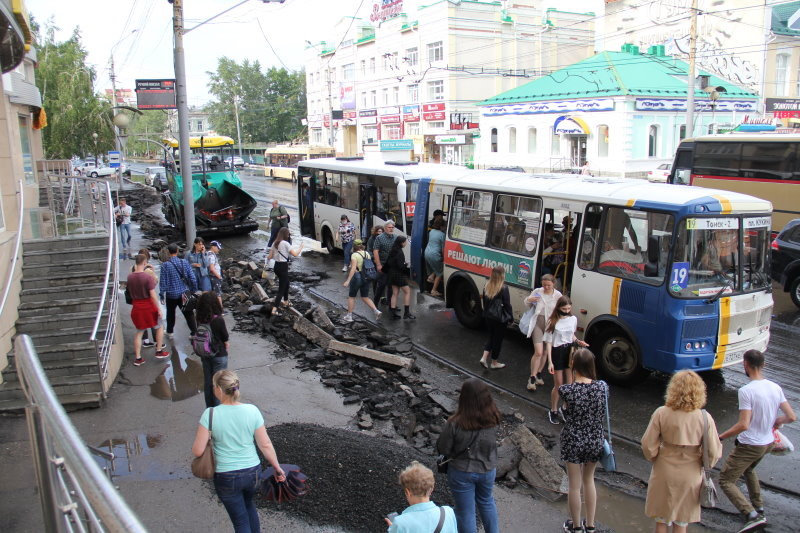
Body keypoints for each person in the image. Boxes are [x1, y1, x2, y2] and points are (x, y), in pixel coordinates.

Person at [191, 370, 286, 533]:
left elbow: (198, 451)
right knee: (249, 506)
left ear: (219, 390)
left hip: (226, 476)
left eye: (214, 386)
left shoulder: (210, 414)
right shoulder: (252, 410)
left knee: (240, 522)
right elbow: (265, 445)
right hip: (253, 473)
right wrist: (277, 468)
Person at [718, 349, 796, 533]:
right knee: (749, 469)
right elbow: (791, 416)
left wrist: (720, 437)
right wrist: (779, 421)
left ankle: (751, 515)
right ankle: (758, 507)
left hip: (750, 444)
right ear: (763, 365)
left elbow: (743, 425)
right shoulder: (775, 387)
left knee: (725, 480)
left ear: (745, 364)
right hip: (767, 442)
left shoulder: (747, 391)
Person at [641, 370, 723, 533]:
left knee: (661, 519)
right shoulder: (705, 418)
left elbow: (648, 444)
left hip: (664, 470)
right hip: (691, 473)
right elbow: (714, 451)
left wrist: (655, 457)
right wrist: (702, 463)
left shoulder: (661, 413)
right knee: (682, 521)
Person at [435, 378, 501, 533]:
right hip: (487, 469)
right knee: (486, 501)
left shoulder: (455, 422)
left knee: (466, 512)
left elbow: (443, 448)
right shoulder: (494, 418)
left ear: (464, 398)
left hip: (461, 471)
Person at [558, 349, 606, 533]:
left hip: (573, 439)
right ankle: (591, 524)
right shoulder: (602, 387)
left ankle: (576, 526)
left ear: (574, 366)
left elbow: (565, 412)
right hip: (595, 439)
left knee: (574, 485)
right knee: (589, 480)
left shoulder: (567, 391)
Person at [544, 295, 589, 425]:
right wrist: (550, 362)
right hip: (557, 351)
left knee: (570, 384)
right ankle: (553, 410)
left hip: (569, 350)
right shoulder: (552, 321)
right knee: (558, 384)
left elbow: (571, 335)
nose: (567, 310)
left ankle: (565, 408)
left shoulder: (573, 319)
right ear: (559, 308)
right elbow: (548, 342)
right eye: (564, 308)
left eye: (569, 308)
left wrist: (579, 341)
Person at [386, 461, 457, 533]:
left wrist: (393, 529)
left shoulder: (400, 523)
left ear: (408, 492)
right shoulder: (448, 512)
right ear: (431, 489)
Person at [126, 254, 168, 366]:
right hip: (149, 306)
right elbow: (153, 295)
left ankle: (138, 358)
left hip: (136, 307)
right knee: (159, 327)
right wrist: (159, 309)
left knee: (139, 332)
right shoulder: (148, 277)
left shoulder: (130, 277)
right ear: (145, 263)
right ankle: (159, 350)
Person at [523, 274, 562, 391]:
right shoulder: (537, 291)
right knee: (538, 352)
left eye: (548, 285)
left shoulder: (557, 295)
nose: (546, 287)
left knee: (545, 351)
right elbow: (527, 303)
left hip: (549, 325)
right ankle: (532, 377)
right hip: (537, 323)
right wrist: (529, 299)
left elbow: (562, 309)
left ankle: (539, 373)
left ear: (553, 284)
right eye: (544, 285)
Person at [195, 292, 229, 409]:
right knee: (218, 383)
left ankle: (209, 408)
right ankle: (218, 409)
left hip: (205, 353)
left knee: (208, 382)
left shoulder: (199, 318)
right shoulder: (218, 320)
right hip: (219, 354)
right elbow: (225, 336)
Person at [159, 243, 199, 338]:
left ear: (168, 252)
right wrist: (193, 290)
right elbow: (192, 277)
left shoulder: (165, 265)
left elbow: (163, 282)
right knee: (188, 313)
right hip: (184, 293)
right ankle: (194, 332)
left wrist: (161, 294)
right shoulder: (184, 262)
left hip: (171, 295)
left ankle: (170, 332)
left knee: (170, 313)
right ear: (177, 251)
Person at [479, 265, 512, 370]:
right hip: (499, 318)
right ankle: (494, 362)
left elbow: (484, 302)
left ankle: (484, 358)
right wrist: (510, 317)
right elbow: (507, 305)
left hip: (488, 316)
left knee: (491, 336)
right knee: (498, 340)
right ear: (502, 275)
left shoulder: (487, 285)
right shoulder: (504, 288)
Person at [342, 239, 382, 322]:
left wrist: (348, 280)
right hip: (367, 277)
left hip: (357, 277)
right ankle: (376, 311)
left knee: (352, 296)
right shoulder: (366, 253)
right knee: (365, 297)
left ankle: (349, 316)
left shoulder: (354, 255)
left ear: (354, 246)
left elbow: (353, 269)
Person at [268, 227, 304, 314]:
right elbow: (295, 254)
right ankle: (275, 308)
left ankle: (286, 301)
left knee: (286, 283)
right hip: (283, 267)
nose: (288, 236)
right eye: (288, 234)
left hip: (276, 266)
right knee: (281, 288)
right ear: (285, 235)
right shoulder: (285, 243)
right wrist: (301, 247)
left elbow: (270, 257)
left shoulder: (275, 243)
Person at [131, 248, 161, 349]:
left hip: (136, 302)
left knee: (140, 328)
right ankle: (158, 344)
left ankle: (145, 343)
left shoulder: (131, 273)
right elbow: (154, 284)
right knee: (154, 322)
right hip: (147, 301)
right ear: (145, 260)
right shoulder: (147, 273)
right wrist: (152, 271)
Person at [384, 236, 414, 320]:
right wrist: (406, 264)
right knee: (407, 291)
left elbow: (390, 262)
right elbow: (401, 266)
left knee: (395, 293)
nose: (406, 243)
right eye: (405, 242)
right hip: (398, 275)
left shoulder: (393, 250)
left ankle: (393, 313)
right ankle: (406, 313)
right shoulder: (400, 252)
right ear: (401, 243)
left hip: (391, 274)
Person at [373, 221, 397, 306]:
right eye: (389, 227)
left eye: (392, 227)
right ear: (385, 228)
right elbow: (375, 251)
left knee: (391, 286)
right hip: (383, 264)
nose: (391, 229)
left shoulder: (395, 237)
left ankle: (390, 303)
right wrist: (378, 264)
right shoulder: (379, 238)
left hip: (392, 266)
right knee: (381, 285)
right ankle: (375, 303)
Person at [424, 218, 445, 297]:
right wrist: (444, 258)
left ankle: (431, 277)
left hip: (427, 253)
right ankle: (434, 290)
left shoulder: (431, 231)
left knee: (436, 268)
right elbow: (443, 249)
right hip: (435, 255)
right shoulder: (442, 235)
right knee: (440, 272)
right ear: (441, 226)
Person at [207, 240, 224, 309]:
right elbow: (212, 268)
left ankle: (215, 309)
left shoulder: (209, 254)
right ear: (213, 247)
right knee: (218, 294)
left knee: (215, 294)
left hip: (213, 277)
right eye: (218, 248)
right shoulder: (211, 255)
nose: (219, 249)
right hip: (214, 277)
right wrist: (219, 276)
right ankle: (220, 310)